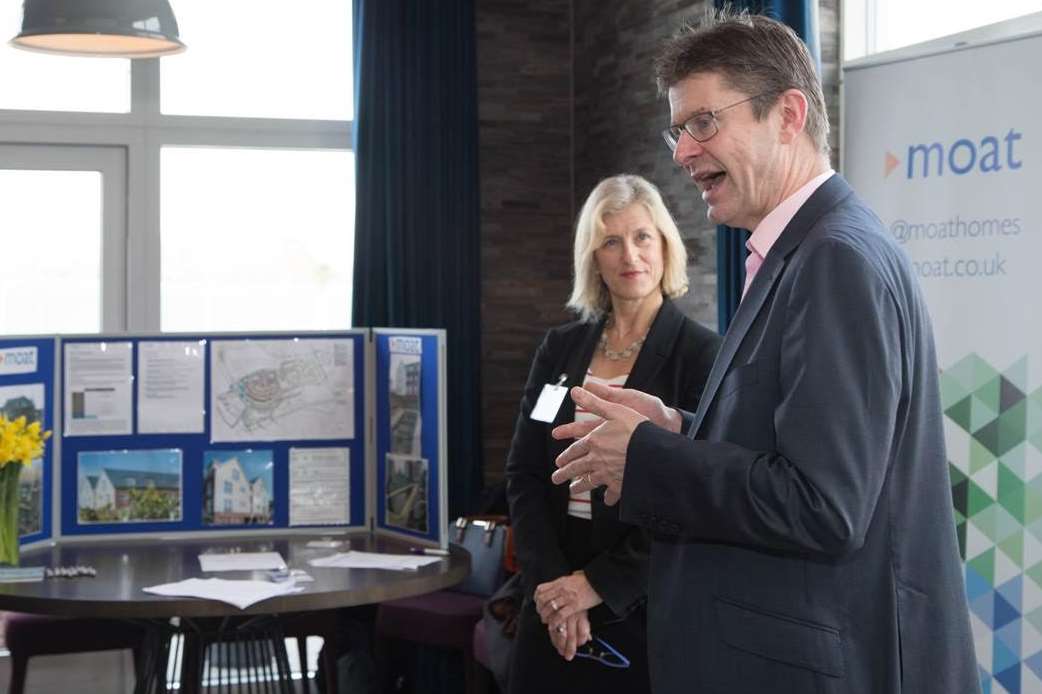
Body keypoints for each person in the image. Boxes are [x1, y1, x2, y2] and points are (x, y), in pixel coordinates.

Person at [550, 10, 980, 694]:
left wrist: (649, 457)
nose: (683, 154)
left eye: (703, 123)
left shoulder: (836, 259)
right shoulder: (805, 251)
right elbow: (793, 450)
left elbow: (824, 505)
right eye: (678, 130)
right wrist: (677, 431)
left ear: (788, 115)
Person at [504, 174, 721, 694]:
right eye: (611, 240)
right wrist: (554, 588)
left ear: (665, 245)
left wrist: (596, 585)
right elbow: (525, 473)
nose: (631, 254)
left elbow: (695, 495)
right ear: (593, 257)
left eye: (643, 236)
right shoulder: (559, 350)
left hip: (641, 597)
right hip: (552, 587)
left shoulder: (701, 355)